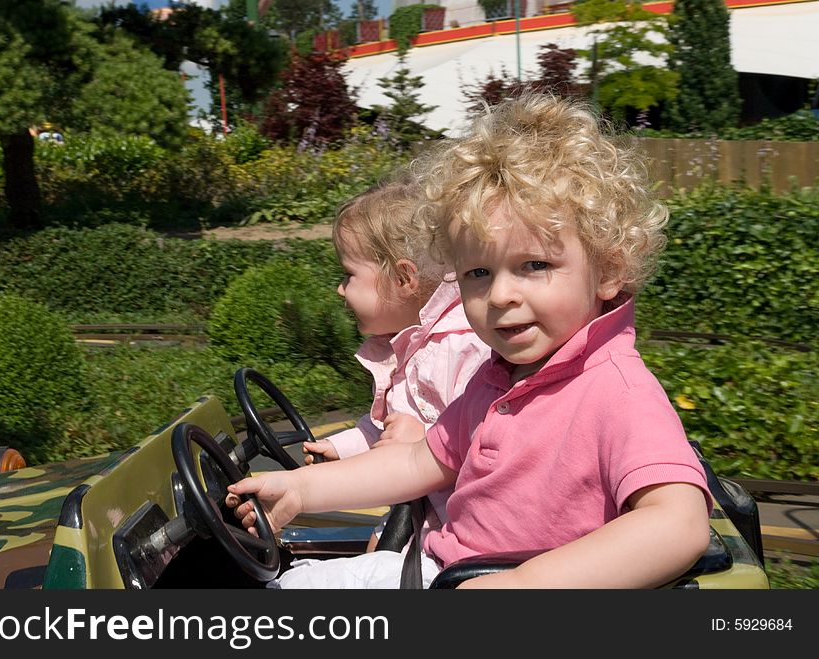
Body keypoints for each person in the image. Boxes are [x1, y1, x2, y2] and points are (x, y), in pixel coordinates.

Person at [227, 93, 712, 589]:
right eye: (478, 273)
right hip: (441, 571)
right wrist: (300, 489)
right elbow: (422, 459)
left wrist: (519, 588)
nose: (500, 294)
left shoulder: (615, 390)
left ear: (608, 270)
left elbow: (679, 523)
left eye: (535, 265)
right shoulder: (500, 377)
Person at [303, 177, 490, 552]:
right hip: (421, 511)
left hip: (464, 532)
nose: (340, 289)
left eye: (349, 275)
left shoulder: (460, 349)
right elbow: (387, 427)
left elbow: (492, 448)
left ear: (403, 279)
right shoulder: (407, 344)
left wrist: (423, 443)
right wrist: (342, 448)